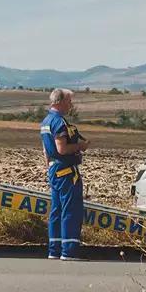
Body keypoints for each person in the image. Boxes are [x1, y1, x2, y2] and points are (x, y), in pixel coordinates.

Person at [40, 88, 89, 260]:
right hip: (66, 171)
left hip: (54, 170)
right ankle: (69, 250)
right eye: (69, 101)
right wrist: (79, 147)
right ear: (60, 102)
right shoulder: (59, 122)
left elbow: (46, 151)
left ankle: (54, 249)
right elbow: (62, 148)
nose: (71, 105)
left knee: (56, 210)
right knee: (70, 210)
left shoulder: (46, 122)